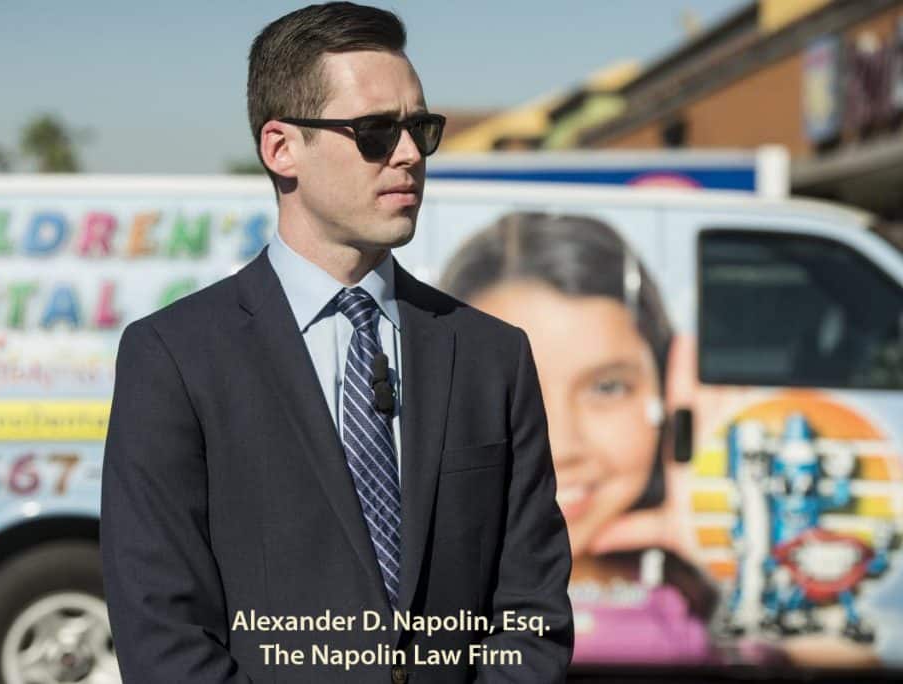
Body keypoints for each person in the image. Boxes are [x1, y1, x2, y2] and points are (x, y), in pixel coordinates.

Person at [99, 5, 573, 684]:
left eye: (420, 128)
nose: (409, 153)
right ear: (280, 148)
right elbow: (162, 633)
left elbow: (531, 616)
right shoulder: (174, 358)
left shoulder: (491, 356)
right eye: (376, 132)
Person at [441, 212, 717, 664]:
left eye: (606, 387)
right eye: (507, 392)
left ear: (668, 391)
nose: (560, 448)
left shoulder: (719, 615)